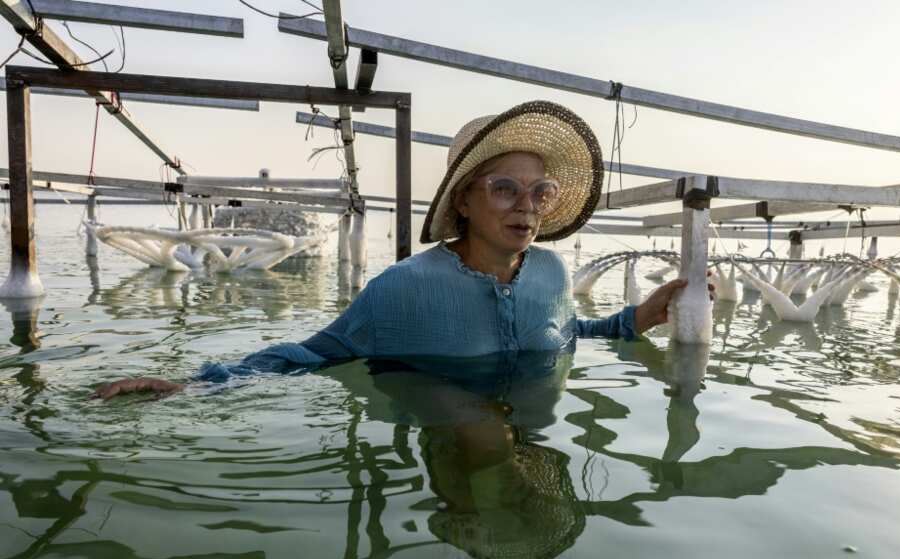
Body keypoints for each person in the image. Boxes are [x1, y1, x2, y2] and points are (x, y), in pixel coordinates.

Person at [94, 100, 700, 399]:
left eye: (541, 192)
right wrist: (196, 385)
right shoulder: (404, 289)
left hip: (535, 438)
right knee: (474, 427)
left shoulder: (549, 272)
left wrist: (634, 319)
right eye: (505, 188)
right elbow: (309, 354)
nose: (527, 205)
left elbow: (564, 333)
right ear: (462, 201)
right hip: (448, 421)